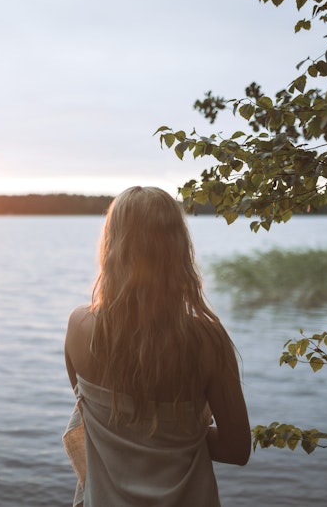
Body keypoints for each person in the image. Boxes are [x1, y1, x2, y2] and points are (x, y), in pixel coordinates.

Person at [63, 186, 250, 506]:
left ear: (112, 247)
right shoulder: (207, 341)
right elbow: (236, 449)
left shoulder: (80, 327)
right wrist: (182, 432)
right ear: (179, 249)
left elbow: (91, 412)